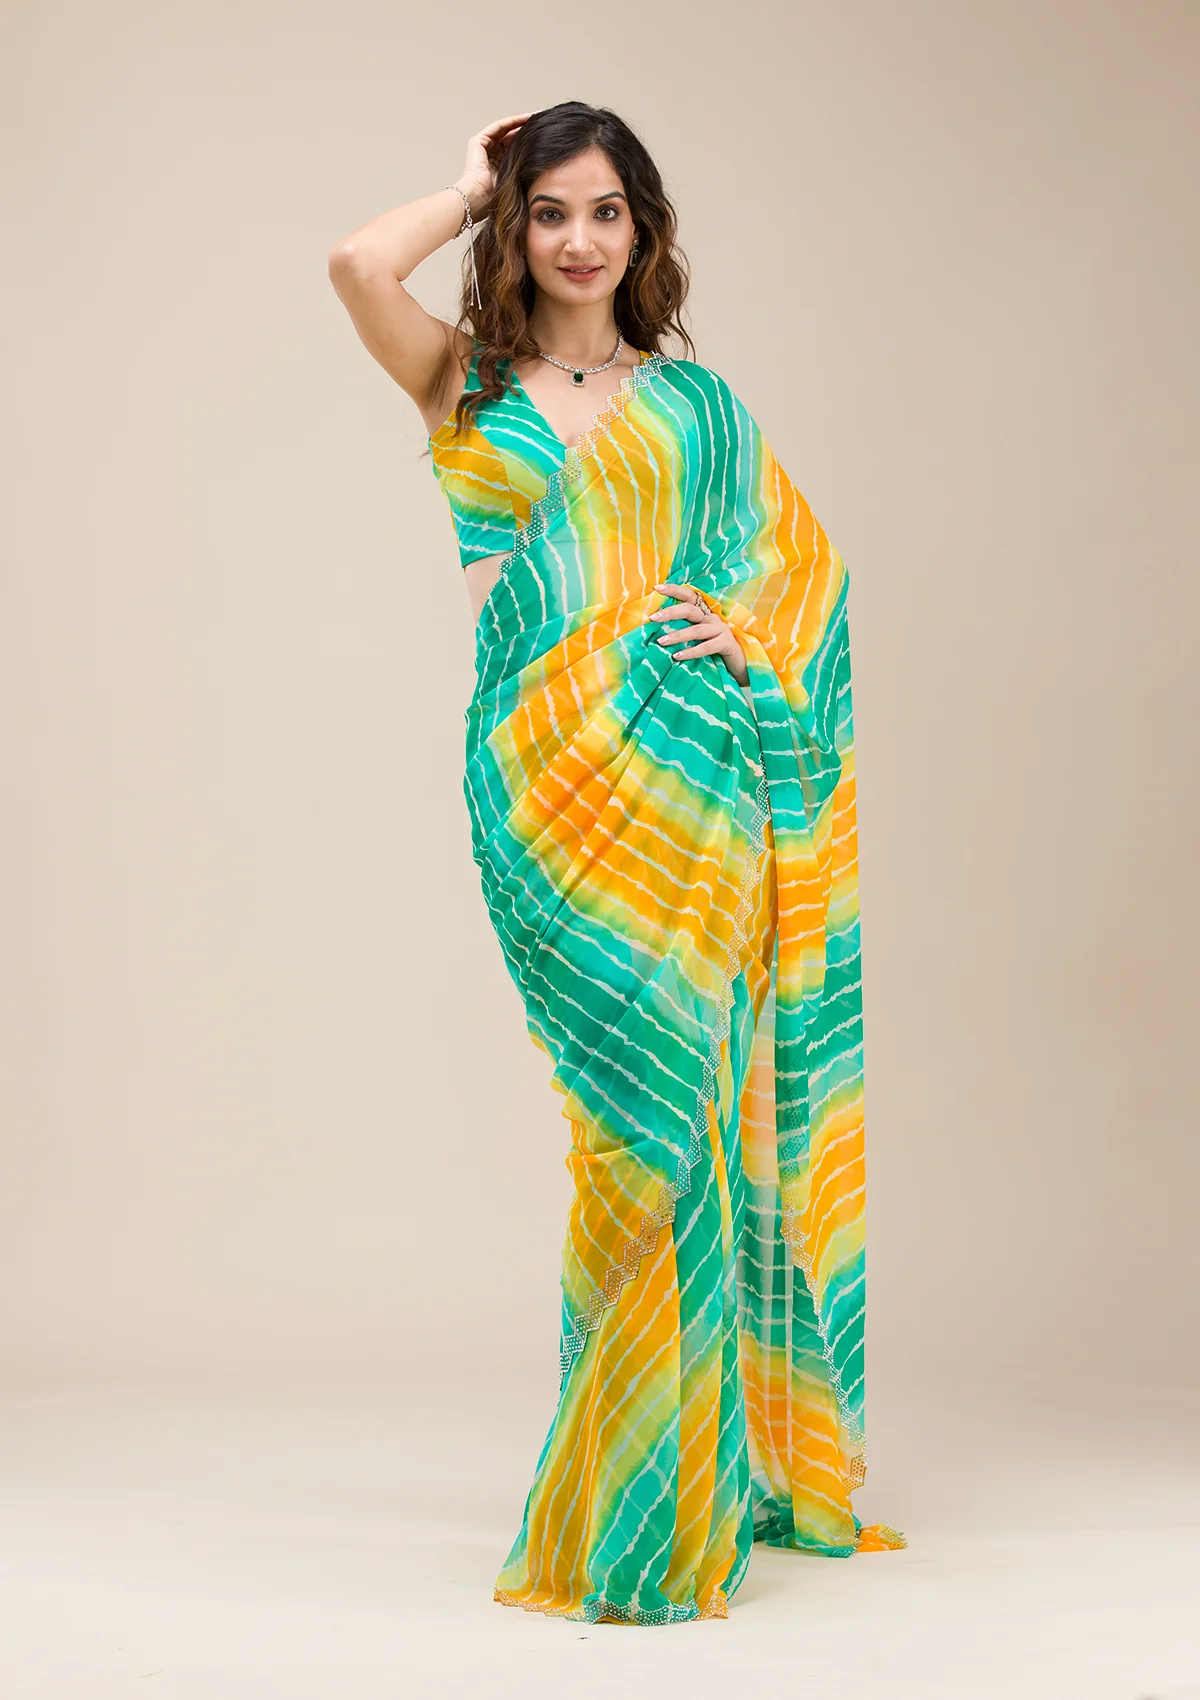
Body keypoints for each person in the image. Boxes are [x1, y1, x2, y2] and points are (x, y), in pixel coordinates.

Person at [327, 100, 905, 1627]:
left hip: (693, 790)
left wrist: (746, 632)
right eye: (549, 212)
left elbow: (805, 579)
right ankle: (638, 1487)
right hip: (542, 796)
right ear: (518, 230)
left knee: (681, 1124)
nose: (579, 239)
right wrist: (468, 185)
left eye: (606, 211)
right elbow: (355, 265)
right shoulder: (464, 384)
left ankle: (660, 1503)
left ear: (643, 229)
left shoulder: (694, 406)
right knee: (626, 1124)